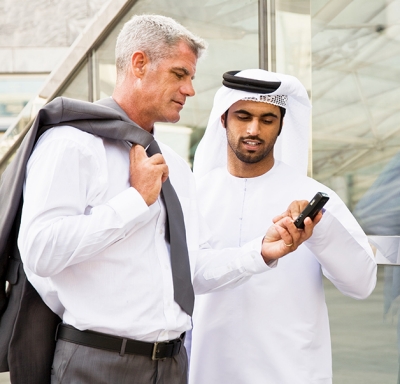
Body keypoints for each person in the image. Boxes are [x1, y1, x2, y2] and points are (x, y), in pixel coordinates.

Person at [14, 17, 318, 384]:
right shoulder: (71, 145)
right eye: (180, 74)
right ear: (139, 64)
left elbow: (191, 271)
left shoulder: (175, 165)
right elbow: (40, 252)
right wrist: (135, 202)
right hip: (97, 363)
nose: (190, 90)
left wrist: (262, 251)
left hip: (172, 365)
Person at [189, 69, 378, 384]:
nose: (254, 129)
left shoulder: (314, 197)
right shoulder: (193, 195)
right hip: (209, 369)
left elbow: (362, 284)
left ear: (281, 126)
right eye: (243, 116)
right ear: (223, 119)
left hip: (290, 371)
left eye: (267, 120)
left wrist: (318, 230)